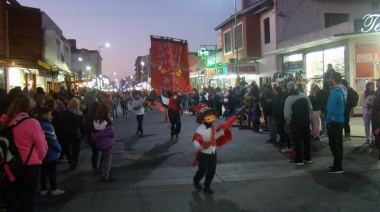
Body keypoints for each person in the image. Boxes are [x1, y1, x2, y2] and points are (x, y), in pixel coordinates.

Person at [2, 94, 48, 212]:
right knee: (29, 199)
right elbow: (42, 147)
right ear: (28, 107)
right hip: (30, 165)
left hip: (11, 165)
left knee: (13, 199)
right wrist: (39, 158)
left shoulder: (7, 121)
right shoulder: (32, 122)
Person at [192, 104, 233, 194]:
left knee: (212, 170)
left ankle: (207, 186)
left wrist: (222, 132)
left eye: (211, 117)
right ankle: (196, 180)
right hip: (203, 154)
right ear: (202, 120)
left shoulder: (213, 128)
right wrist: (199, 147)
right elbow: (195, 141)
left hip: (212, 152)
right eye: (208, 118)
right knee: (202, 170)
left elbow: (213, 137)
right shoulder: (200, 130)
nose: (210, 120)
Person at [37, 107, 65, 196]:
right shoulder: (48, 126)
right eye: (49, 114)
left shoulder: (37, 124)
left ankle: (43, 189)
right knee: (52, 172)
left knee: (43, 173)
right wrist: (59, 149)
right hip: (50, 153)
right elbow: (53, 141)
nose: (50, 115)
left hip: (40, 153)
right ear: (44, 114)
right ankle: (54, 189)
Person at [284, 82, 312, 165]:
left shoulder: (289, 99)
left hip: (295, 122)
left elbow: (287, 114)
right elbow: (310, 108)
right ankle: (308, 157)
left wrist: (289, 123)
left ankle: (299, 159)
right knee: (307, 140)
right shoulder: (304, 96)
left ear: (289, 89)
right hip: (306, 121)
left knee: (297, 141)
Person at [326, 72, 347, 174]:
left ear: (333, 79)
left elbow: (330, 108)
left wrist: (328, 121)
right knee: (339, 143)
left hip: (334, 120)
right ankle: (338, 164)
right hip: (341, 119)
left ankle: (338, 166)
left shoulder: (334, 92)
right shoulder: (343, 88)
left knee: (333, 143)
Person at [91, 103, 115, 182]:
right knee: (107, 159)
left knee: (104, 158)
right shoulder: (107, 121)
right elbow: (111, 133)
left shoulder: (95, 120)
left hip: (98, 142)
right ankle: (105, 175)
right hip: (107, 142)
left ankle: (105, 172)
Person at [61, 97, 85, 170]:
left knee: (66, 148)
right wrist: (83, 135)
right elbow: (82, 126)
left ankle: (71, 160)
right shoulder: (80, 114)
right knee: (76, 150)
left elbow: (61, 123)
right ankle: (75, 162)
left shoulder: (65, 112)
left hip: (66, 132)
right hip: (76, 133)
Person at [84, 101, 101, 173]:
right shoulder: (97, 115)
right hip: (97, 136)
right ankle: (101, 166)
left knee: (94, 152)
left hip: (90, 135)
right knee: (103, 151)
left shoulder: (88, 115)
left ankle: (94, 167)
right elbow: (99, 127)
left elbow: (85, 126)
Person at [371, 78, 380, 148]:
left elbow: (376, 104)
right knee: (376, 128)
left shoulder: (378, 92)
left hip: (378, 114)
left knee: (377, 128)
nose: (376, 83)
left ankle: (378, 143)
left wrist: (374, 113)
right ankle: (377, 143)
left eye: (377, 82)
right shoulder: (377, 91)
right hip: (376, 113)